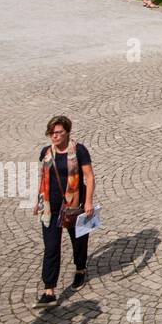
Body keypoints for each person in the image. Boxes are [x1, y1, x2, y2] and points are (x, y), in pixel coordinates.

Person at [33, 116, 95, 307]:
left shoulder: (79, 151)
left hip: (73, 203)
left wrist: (88, 202)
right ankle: (49, 290)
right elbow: (43, 178)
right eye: (52, 133)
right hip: (50, 206)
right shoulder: (46, 152)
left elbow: (89, 177)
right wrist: (38, 201)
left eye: (58, 132)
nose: (55, 136)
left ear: (67, 132)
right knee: (51, 247)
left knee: (78, 240)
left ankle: (80, 269)